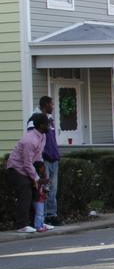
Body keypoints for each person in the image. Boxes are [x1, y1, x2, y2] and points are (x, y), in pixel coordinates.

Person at [7, 113, 50, 233]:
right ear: (41, 125)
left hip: (27, 167)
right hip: (16, 168)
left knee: (36, 193)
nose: (49, 126)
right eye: (48, 124)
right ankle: (22, 225)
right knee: (26, 192)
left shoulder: (42, 137)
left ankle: (37, 223)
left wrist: (42, 172)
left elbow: (38, 156)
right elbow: (26, 163)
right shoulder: (30, 140)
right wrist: (36, 178)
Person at [30, 96, 62, 226]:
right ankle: (42, 217)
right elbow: (34, 140)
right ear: (45, 105)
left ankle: (52, 214)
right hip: (44, 158)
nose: (53, 107)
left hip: (54, 158)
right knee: (45, 188)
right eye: (51, 104)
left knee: (53, 189)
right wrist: (40, 160)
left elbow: (52, 140)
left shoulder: (50, 120)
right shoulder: (35, 119)